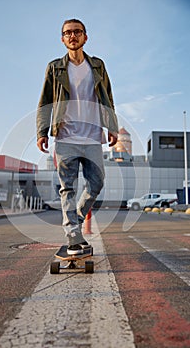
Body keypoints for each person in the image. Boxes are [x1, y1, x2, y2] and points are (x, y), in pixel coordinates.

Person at [37, 18, 118, 255]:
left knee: (97, 183)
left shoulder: (98, 65)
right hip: (65, 136)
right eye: (68, 33)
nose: (73, 36)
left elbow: (108, 98)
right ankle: (73, 234)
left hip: (93, 135)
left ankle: (76, 220)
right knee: (68, 188)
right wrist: (42, 131)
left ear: (85, 37)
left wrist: (112, 126)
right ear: (62, 39)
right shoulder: (55, 67)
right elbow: (45, 102)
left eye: (77, 32)